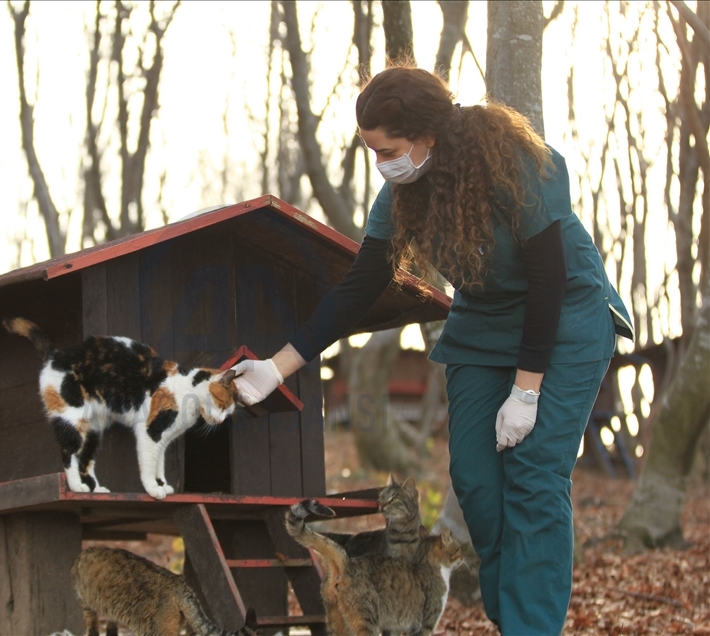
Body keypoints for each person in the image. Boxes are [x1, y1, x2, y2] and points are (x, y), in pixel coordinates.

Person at [232, 62, 633, 636]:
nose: (380, 163)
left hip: (564, 316)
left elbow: (548, 278)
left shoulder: (516, 162)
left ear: (427, 134)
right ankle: (512, 614)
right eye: (370, 151)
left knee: (535, 476)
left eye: (386, 148)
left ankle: (530, 626)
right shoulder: (401, 195)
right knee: (474, 476)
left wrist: (526, 390)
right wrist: (276, 369)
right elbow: (359, 288)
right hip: (484, 324)